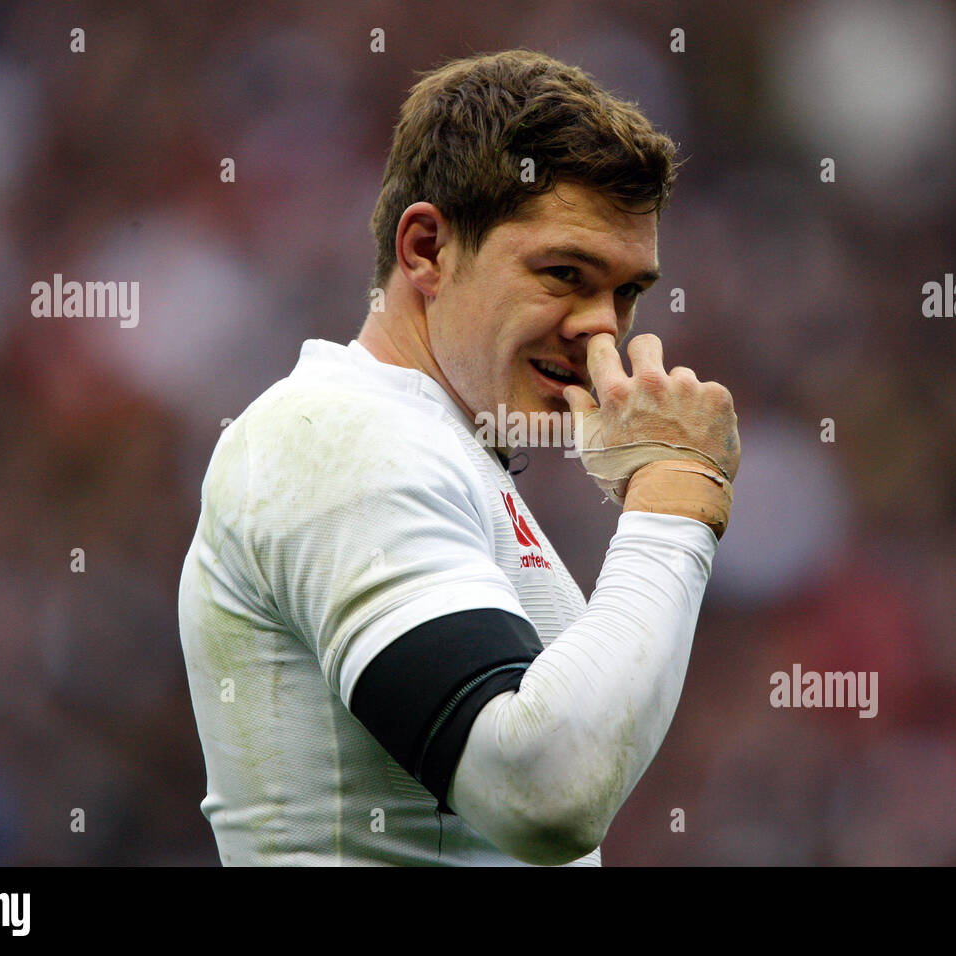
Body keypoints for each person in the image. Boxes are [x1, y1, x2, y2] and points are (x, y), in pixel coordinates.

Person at [178, 48, 740, 866]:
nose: (601, 328)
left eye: (625, 292)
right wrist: (674, 501)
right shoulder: (338, 434)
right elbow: (542, 793)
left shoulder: (441, 450)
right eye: (564, 273)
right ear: (427, 250)